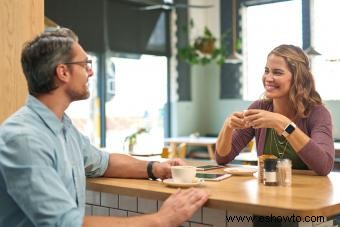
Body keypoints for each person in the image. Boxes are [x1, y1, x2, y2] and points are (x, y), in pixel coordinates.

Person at [0, 27, 209, 227]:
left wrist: (155, 168)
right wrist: (162, 220)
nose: (90, 72)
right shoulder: (24, 138)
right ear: (63, 72)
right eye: (84, 64)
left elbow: (104, 162)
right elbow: (64, 224)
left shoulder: (64, 127)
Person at [215, 44, 334, 176]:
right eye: (267, 71)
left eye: (277, 72)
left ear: (298, 78)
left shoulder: (318, 113)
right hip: (268, 191)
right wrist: (227, 126)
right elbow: (222, 158)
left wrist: (283, 124)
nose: (268, 78)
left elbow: (324, 166)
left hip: (307, 194)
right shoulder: (259, 107)